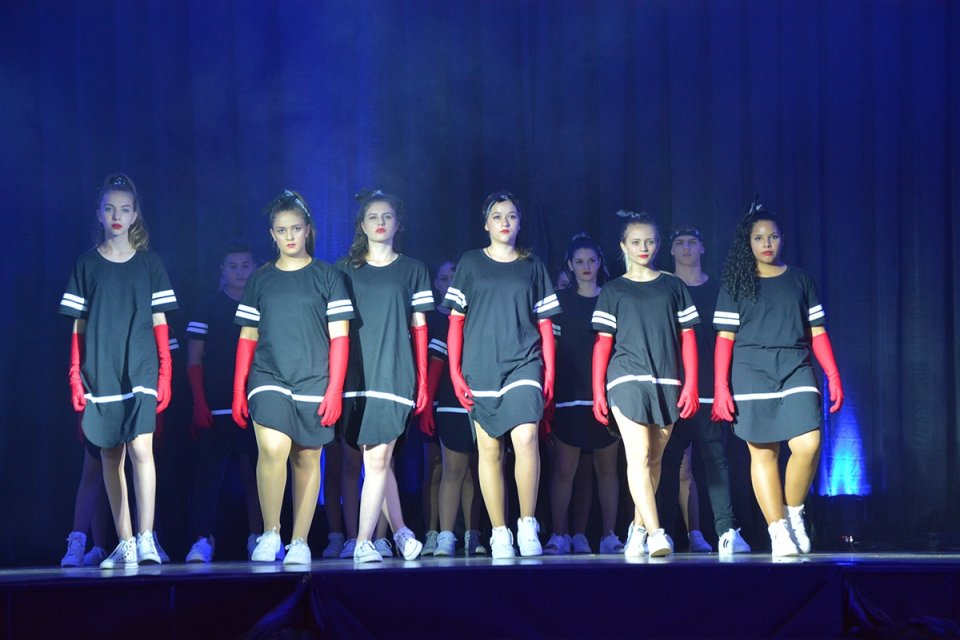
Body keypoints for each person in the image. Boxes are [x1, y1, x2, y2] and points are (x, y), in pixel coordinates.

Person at [59, 173, 178, 569]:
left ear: (134, 215)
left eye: (124, 209)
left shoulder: (150, 263)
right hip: (101, 366)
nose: (116, 216)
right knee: (111, 453)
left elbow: (160, 319)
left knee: (141, 448)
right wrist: (75, 373)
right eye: (110, 208)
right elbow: (77, 324)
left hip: (140, 363)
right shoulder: (87, 264)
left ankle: (146, 537)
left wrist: (165, 370)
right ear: (99, 213)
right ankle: (124, 541)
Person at [713, 199, 843, 557]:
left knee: (809, 444)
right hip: (751, 371)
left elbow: (817, 331)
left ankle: (794, 512)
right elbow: (725, 339)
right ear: (748, 243)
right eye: (758, 238)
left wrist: (833, 374)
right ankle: (778, 531)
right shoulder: (736, 283)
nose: (766, 243)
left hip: (795, 366)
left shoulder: (800, 279)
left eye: (772, 236)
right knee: (763, 453)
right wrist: (721, 386)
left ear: (782, 238)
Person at [233, 190, 354, 565]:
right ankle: (271, 533)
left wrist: (335, 389)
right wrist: (238, 390)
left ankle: (299, 541)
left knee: (306, 458)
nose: (289, 236)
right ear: (272, 234)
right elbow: (248, 336)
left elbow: (340, 337)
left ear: (308, 230)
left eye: (296, 228)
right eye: (282, 230)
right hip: (268, 376)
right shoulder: (260, 279)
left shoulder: (328, 277)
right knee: (272, 449)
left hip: (313, 379)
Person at [443, 191, 560, 559]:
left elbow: (545, 323)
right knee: (490, 449)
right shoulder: (470, 263)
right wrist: (455, 373)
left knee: (526, 438)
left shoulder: (532, 265)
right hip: (480, 367)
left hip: (524, 362)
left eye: (511, 216)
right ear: (486, 224)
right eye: (497, 216)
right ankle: (499, 532)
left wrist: (549, 372)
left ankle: (527, 524)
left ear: (520, 222)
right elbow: (456, 321)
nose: (504, 222)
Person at [591, 211, 700, 558]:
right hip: (626, 378)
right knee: (638, 455)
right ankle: (656, 533)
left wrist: (691, 384)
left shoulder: (673, 286)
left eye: (649, 241)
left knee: (654, 460)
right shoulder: (613, 289)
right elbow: (603, 344)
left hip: (666, 380)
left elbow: (688, 338)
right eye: (636, 242)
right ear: (623, 246)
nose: (643, 247)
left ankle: (638, 530)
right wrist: (598, 391)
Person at [337, 190, 433, 563]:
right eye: (373, 216)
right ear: (362, 225)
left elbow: (419, 326)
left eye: (387, 216)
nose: (380, 222)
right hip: (355, 376)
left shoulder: (413, 269)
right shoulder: (344, 270)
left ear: (397, 224)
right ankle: (403, 532)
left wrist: (421, 378)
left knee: (378, 459)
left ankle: (363, 541)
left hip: (395, 371)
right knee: (375, 459)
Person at [655, 225, 752, 556]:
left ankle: (726, 530)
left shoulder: (719, 290)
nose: (686, 248)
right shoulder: (663, 287)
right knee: (669, 463)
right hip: (672, 391)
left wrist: (725, 386)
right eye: (680, 243)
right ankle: (663, 533)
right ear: (670, 250)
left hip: (711, 390)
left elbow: (728, 341)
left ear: (702, 248)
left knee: (717, 461)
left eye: (692, 242)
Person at [544, 233, 623, 555]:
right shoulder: (560, 301)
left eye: (591, 260)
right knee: (565, 469)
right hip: (569, 394)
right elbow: (552, 347)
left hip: (607, 395)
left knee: (607, 468)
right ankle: (559, 535)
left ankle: (609, 535)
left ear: (600, 262)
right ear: (569, 265)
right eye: (579, 261)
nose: (586, 267)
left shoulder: (612, 296)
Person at [184, 241, 263, 562]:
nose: (240, 272)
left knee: (257, 474)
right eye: (233, 266)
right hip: (216, 403)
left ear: (255, 268)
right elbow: (194, 357)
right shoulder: (209, 306)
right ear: (222, 270)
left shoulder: (264, 304)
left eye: (245, 265)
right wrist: (199, 402)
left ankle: (259, 536)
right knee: (209, 475)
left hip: (256, 402)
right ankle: (203, 539)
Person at [419, 259, 487, 557]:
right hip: (441, 404)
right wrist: (426, 408)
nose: (451, 284)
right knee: (439, 470)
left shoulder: (476, 316)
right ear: (437, 283)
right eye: (445, 278)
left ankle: (474, 534)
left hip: (472, 403)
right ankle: (436, 533)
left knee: (475, 470)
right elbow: (432, 366)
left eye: (455, 278)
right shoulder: (435, 320)